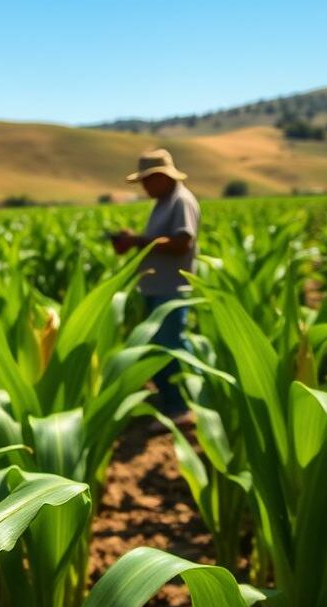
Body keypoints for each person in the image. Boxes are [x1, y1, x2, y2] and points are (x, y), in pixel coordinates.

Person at [112, 148, 199, 423]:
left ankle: (180, 409)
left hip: (171, 290)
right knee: (161, 347)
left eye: (147, 180)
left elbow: (182, 243)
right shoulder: (163, 201)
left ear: (163, 176)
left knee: (168, 349)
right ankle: (174, 401)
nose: (144, 187)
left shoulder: (181, 201)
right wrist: (134, 239)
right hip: (156, 288)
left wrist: (138, 242)